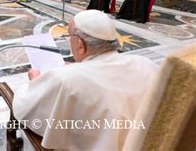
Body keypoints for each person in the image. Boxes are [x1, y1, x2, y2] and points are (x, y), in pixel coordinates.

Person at [13, 10, 158, 150]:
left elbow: (25, 108)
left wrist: (35, 82)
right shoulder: (146, 64)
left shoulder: (66, 78)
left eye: (69, 36)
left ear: (80, 45)